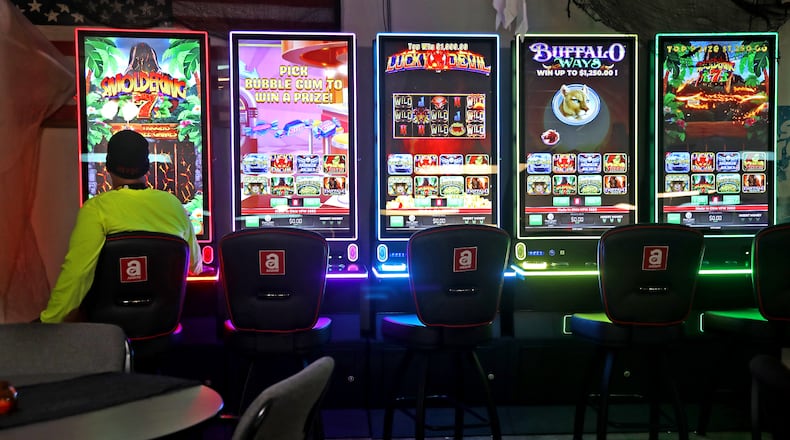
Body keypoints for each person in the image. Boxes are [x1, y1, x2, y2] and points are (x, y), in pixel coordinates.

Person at [39, 130, 202, 323]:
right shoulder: (174, 205)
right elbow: (195, 266)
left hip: (108, 332)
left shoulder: (96, 209)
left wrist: (48, 321)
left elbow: (77, 274)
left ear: (107, 167)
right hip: (161, 326)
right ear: (147, 168)